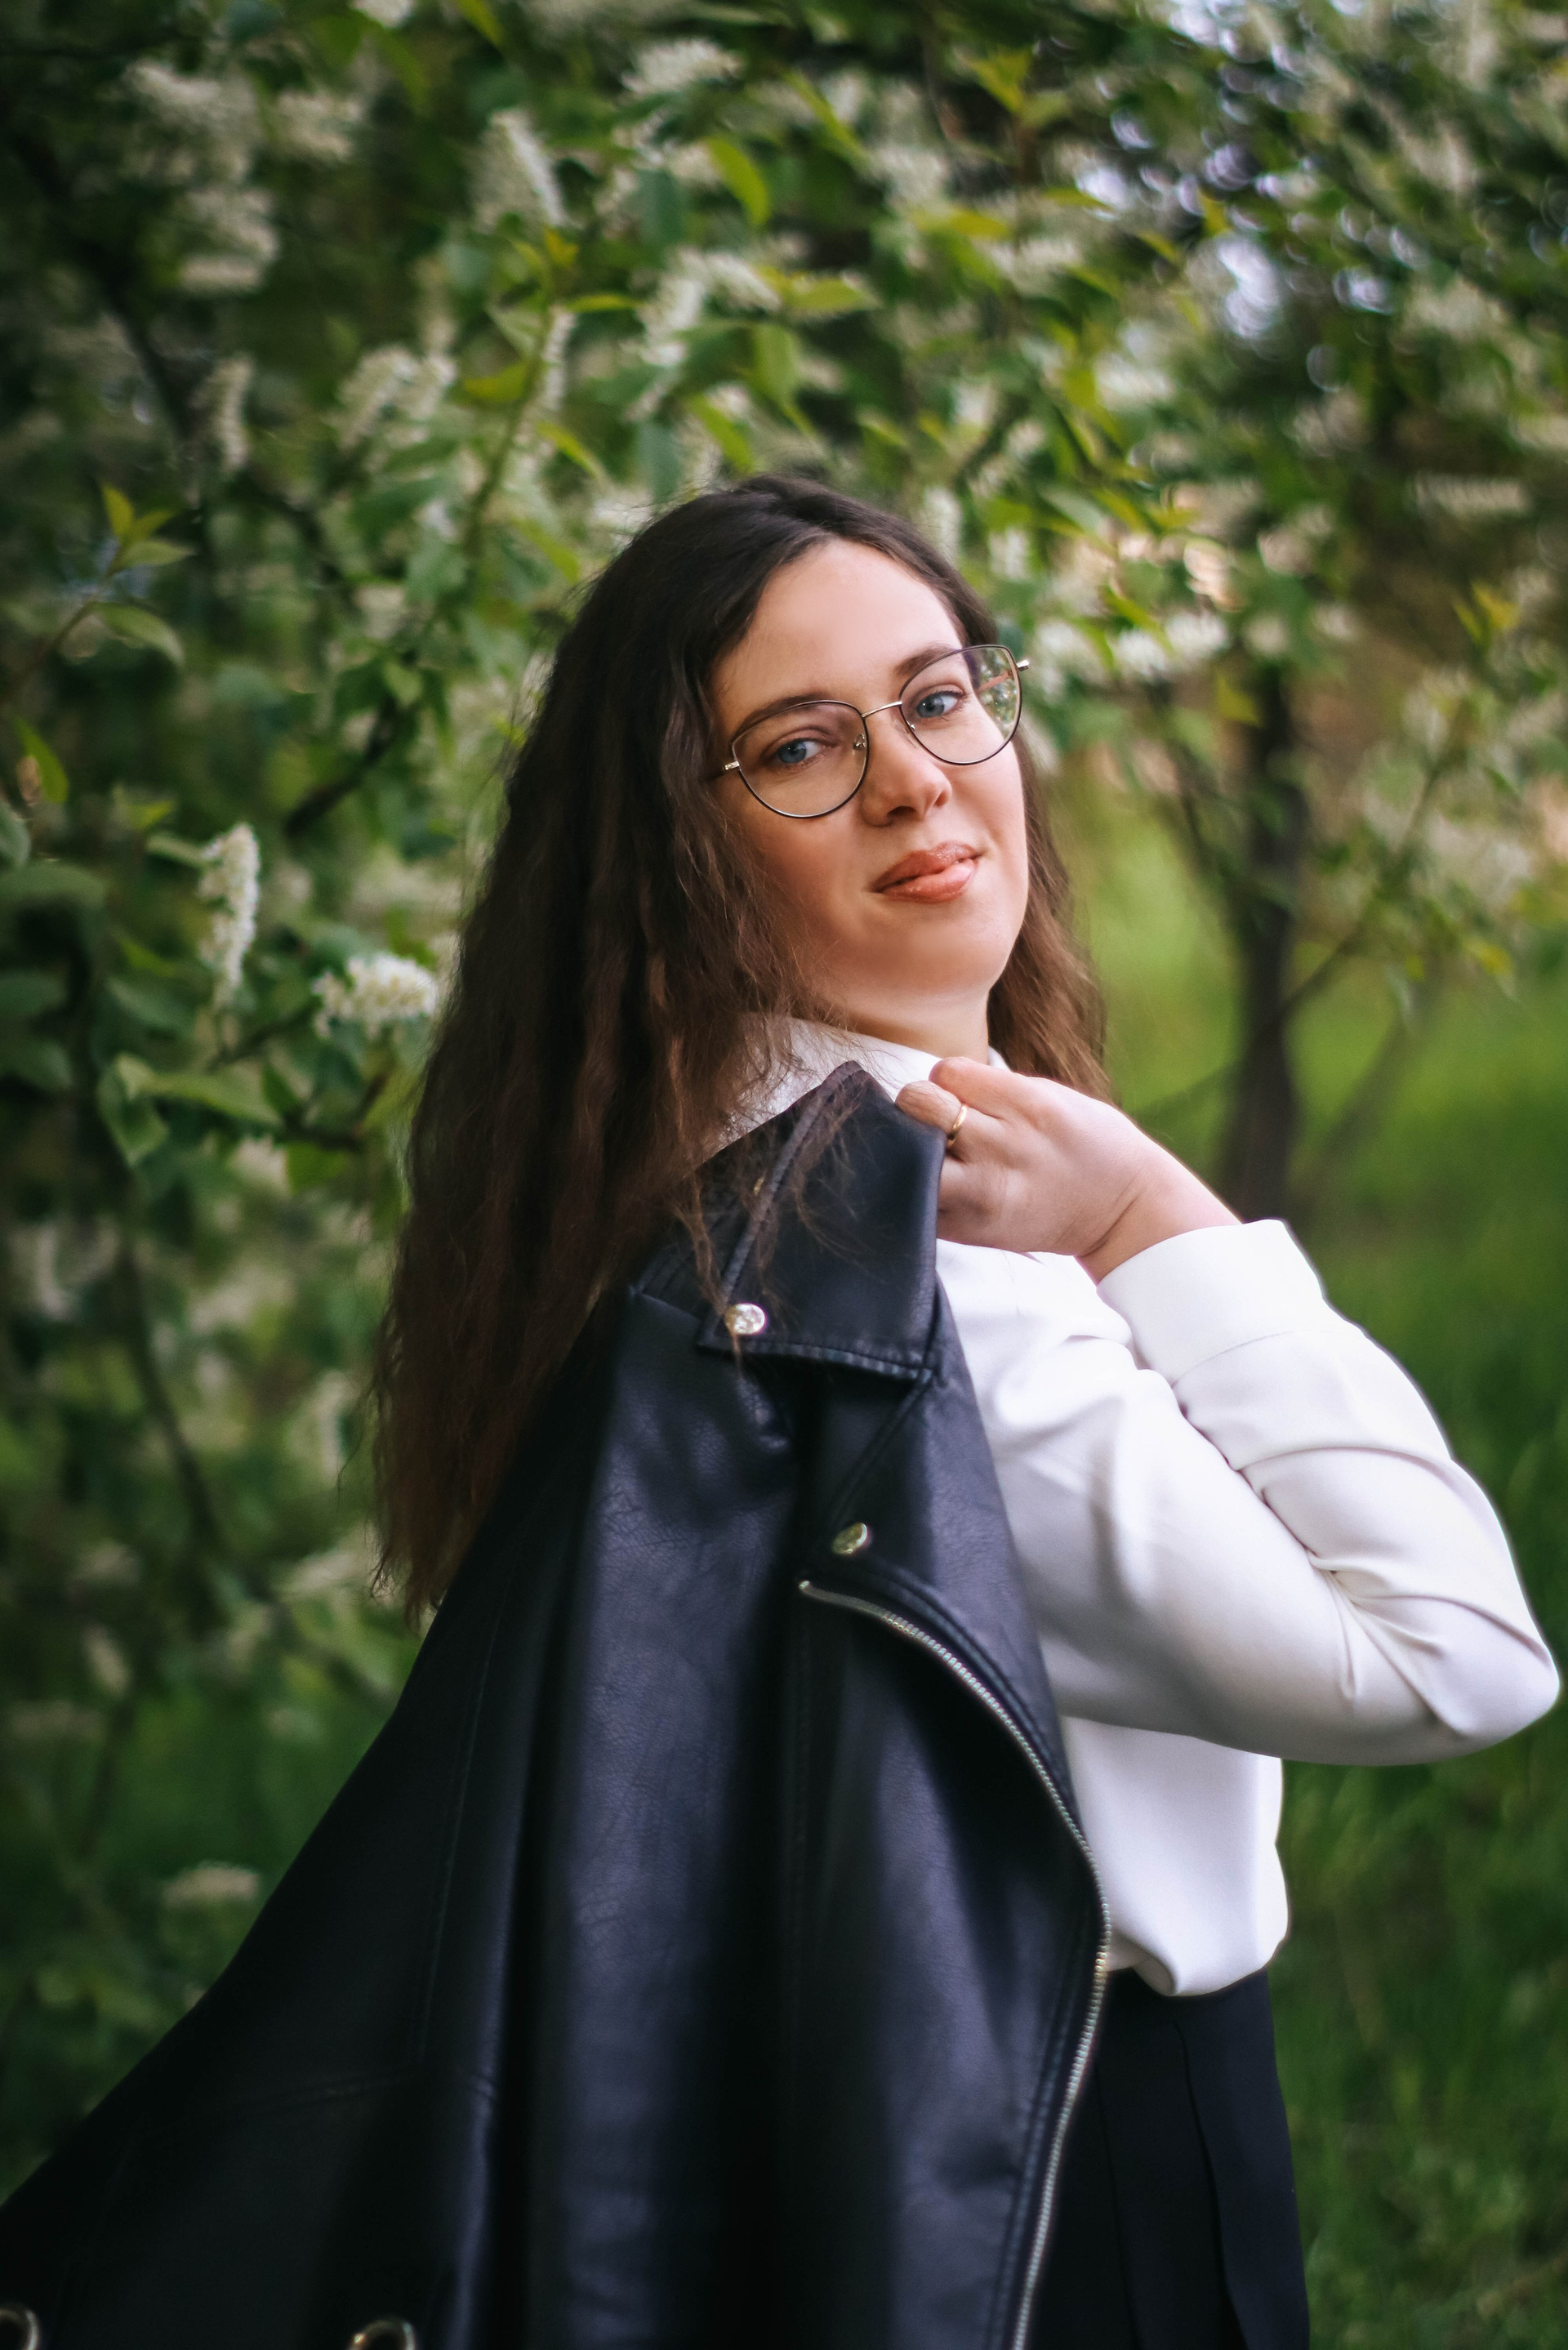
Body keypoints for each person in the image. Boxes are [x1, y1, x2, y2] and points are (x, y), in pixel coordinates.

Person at [0, 476, 1556, 2350]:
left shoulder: (658, 1187)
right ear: (680, 847)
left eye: (939, 697)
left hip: (817, 2144)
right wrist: (1158, 1216)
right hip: (1061, 2170)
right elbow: (1454, 1652)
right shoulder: (921, 1285)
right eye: (803, 747)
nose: (912, 782)